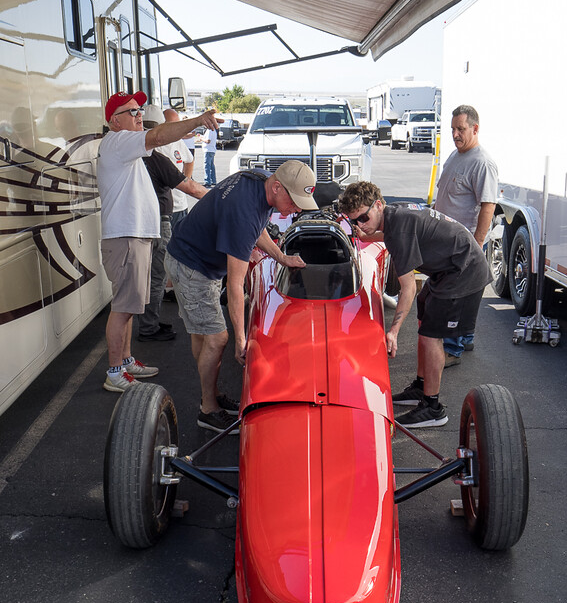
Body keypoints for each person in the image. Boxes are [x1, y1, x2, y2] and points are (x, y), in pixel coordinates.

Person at [164, 159, 318, 433]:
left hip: (196, 259)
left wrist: (281, 257)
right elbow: (236, 286)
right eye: (293, 202)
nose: (295, 209)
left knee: (202, 333)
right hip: (191, 266)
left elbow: (257, 228)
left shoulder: (260, 181)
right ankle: (208, 409)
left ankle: (209, 393)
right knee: (217, 338)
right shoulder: (243, 213)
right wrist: (240, 339)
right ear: (277, 188)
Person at [337, 181, 491, 428]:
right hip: (447, 268)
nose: (360, 225)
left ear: (378, 205)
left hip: (464, 270)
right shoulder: (393, 214)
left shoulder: (399, 229)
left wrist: (394, 332)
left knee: (432, 335)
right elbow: (388, 234)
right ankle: (421, 387)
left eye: (363, 218)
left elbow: (407, 288)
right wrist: (361, 232)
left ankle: (433, 407)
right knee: (424, 317)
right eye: (354, 221)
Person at [98, 89, 219, 392]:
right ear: (114, 122)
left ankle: (125, 362)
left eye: (140, 111)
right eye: (132, 112)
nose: (140, 116)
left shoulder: (125, 147)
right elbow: (159, 136)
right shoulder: (119, 142)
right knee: (123, 308)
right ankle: (114, 372)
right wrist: (197, 121)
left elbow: (158, 142)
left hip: (132, 236)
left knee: (128, 306)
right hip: (126, 237)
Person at [138, 105, 209, 342]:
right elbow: (189, 186)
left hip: (139, 223)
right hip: (157, 222)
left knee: (144, 277)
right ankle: (149, 327)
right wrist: (219, 198)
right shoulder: (155, 158)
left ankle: (148, 322)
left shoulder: (129, 154)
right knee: (156, 277)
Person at [434, 104, 498, 366]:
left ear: (475, 128)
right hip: (447, 241)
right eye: (452, 129)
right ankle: (465, 337)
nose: (455, 134)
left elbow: (488, 206)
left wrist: (477, 244)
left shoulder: (482, 163)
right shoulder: (455, 155)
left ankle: (452, 350)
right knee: (462, 294)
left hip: (464, 245)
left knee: (456, 297)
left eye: (461, 129)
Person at [200, 122, 218, 186]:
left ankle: (207, 181)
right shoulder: (213, 130)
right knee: (211, 166)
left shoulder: (209, 130)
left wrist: (201, 138)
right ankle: (213, 180)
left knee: (207, 166)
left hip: (208, 150)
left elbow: (208, 141)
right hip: (212, 150)